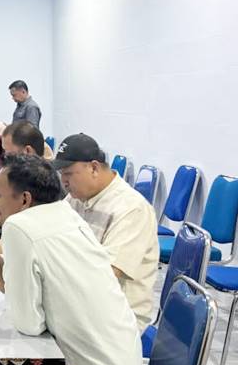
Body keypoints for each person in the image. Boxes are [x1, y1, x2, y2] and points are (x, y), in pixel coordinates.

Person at [0, 154, 141, 365]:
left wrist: (31, 305)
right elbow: (10, 286)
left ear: (25, 199)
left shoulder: (19, 225)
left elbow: (28, 323)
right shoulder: (65, 213)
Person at [52, 134, 159, 330]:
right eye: (61, 174)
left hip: (117, 320)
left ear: (93, 167)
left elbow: (108, 273)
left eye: (67, 173)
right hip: (83, 303)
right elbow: (49, 230)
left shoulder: (131, 209)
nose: (63, 181)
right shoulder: (77, 198)